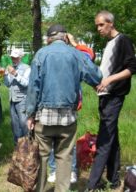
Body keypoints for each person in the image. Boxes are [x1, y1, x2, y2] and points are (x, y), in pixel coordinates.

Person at [26, 24, 102, 192]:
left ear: (49, 39)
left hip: (44, 118)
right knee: (64, 158)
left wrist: (30, 114)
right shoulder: (75, 54)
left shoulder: (41, 54)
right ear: (65, 37)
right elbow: (96, 76)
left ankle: (40, 189)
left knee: (42, 157)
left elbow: (33, 87)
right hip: (68, 118)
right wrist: (76, 47)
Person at [86, 11, 136, 191]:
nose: (98, 28)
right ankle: (114, 180)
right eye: (97, 25)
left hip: (114, 97)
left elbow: (132, 68)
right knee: (112, 138)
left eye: (101, 24)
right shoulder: (109, 44)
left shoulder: (123, 40)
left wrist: (108, 80)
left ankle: (91, 185)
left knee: (104, 140)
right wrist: (99, 82)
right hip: (104, 97)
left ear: (110, 23)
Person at [47, 33, 95, 184]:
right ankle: (54, 169)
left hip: (70, 104)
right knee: (52, 139)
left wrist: (74, 43)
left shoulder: (74, 55)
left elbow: (89, 56)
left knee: (69, 142)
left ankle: (72, 171)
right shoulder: (48, 54)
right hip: (50, 102)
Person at [2, 48, 30, 145]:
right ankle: (18, 148)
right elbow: (8, 84)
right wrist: (5, 75)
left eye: (16, 58)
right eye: (12, 58)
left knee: (24, 124)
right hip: (12, 100)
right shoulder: (10, 67)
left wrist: (15, 73)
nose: (14, 60)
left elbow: (26, 83)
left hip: (22, 100)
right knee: (15, 125)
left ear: (20, 57)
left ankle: (27, 147)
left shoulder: (27, 68)